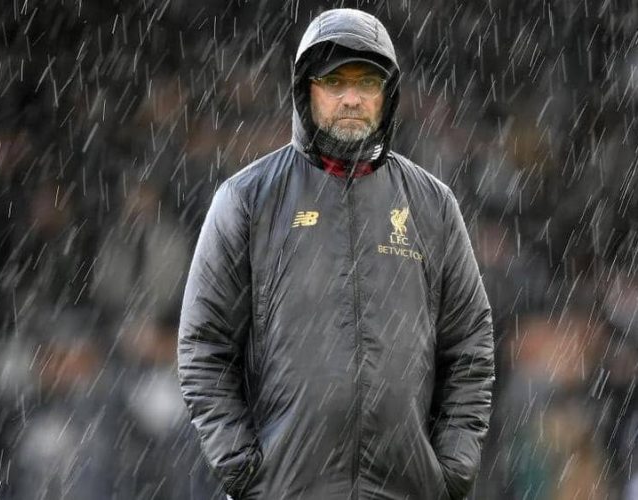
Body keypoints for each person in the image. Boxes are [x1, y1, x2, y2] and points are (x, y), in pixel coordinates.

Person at [177, 8, 495, 500]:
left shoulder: (434, 206)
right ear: (306, 90)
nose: (351, 97)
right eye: (334, 81)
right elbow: (204, 346)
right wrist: (244, 472)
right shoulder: (246, 200)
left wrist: (449, 473)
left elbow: (469, 348)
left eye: (367, 82)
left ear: (387, 95)